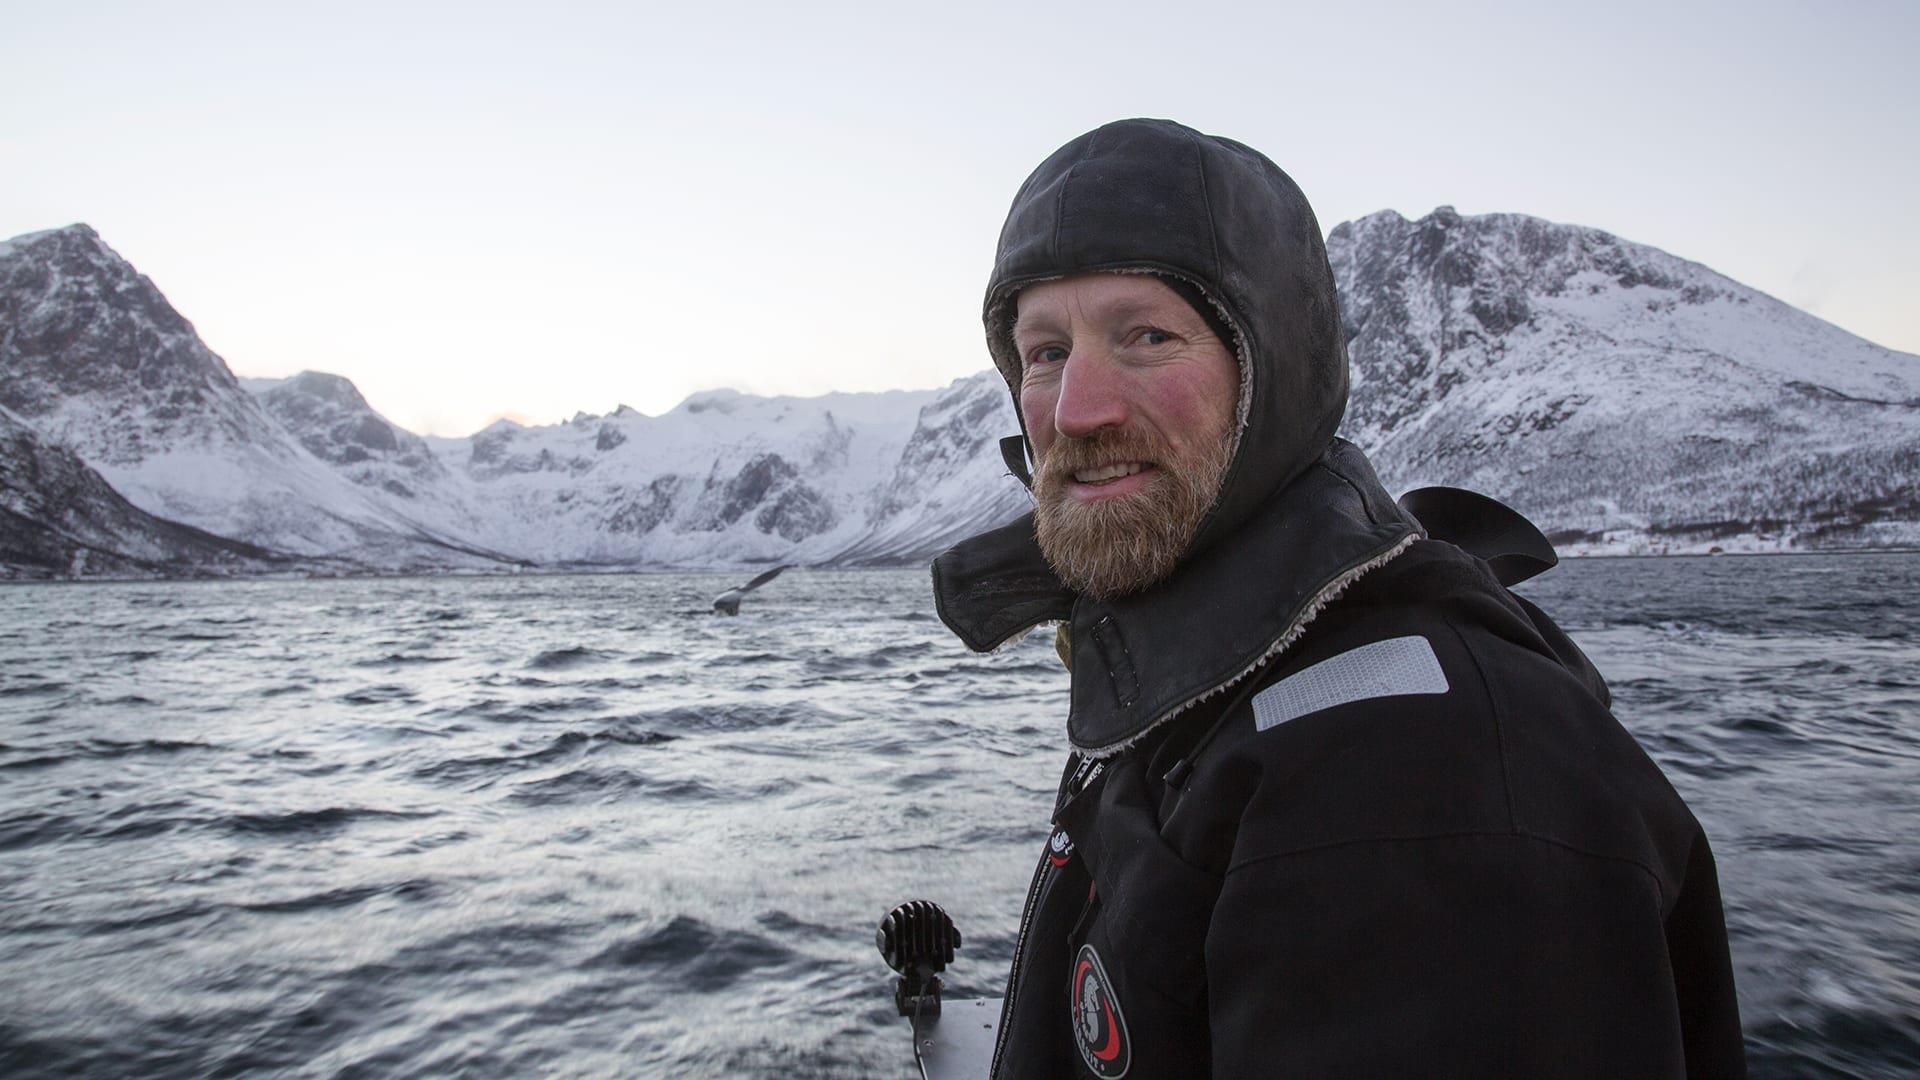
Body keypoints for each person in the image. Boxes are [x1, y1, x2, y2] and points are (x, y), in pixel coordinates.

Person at [930, 119, 1746, 1078]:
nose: (1076, 409)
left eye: (1147, 336)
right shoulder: (1207, 682)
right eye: (1044, 351)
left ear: (1270, 369)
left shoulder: (1422, 776)